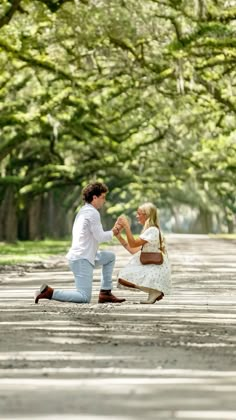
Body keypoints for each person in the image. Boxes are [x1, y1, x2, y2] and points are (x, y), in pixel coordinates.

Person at [34, 182, 126, 304]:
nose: (104, 201)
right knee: (84, 297)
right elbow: (100, 237)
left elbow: (96, 235)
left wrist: (113, 231)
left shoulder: (84, 210)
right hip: (82, 259)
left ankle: (105, 293)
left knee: (110, 257)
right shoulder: (92, 213)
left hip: (86, 255)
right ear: (94, 197)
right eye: (103, 197)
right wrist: (115, 231)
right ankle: (49, 293)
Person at [116, 203, 171, 304]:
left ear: (146, 215)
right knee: (123, 277)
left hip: (156, 268)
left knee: (125, 276)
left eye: (139, 214)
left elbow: (132, 244)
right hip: (153, 267)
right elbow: (133, 250)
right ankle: (153, 291)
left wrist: (127, 227)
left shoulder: (152, 230)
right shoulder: (150, 231)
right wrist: (119, 237)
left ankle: (154, 290)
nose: (137, 216)